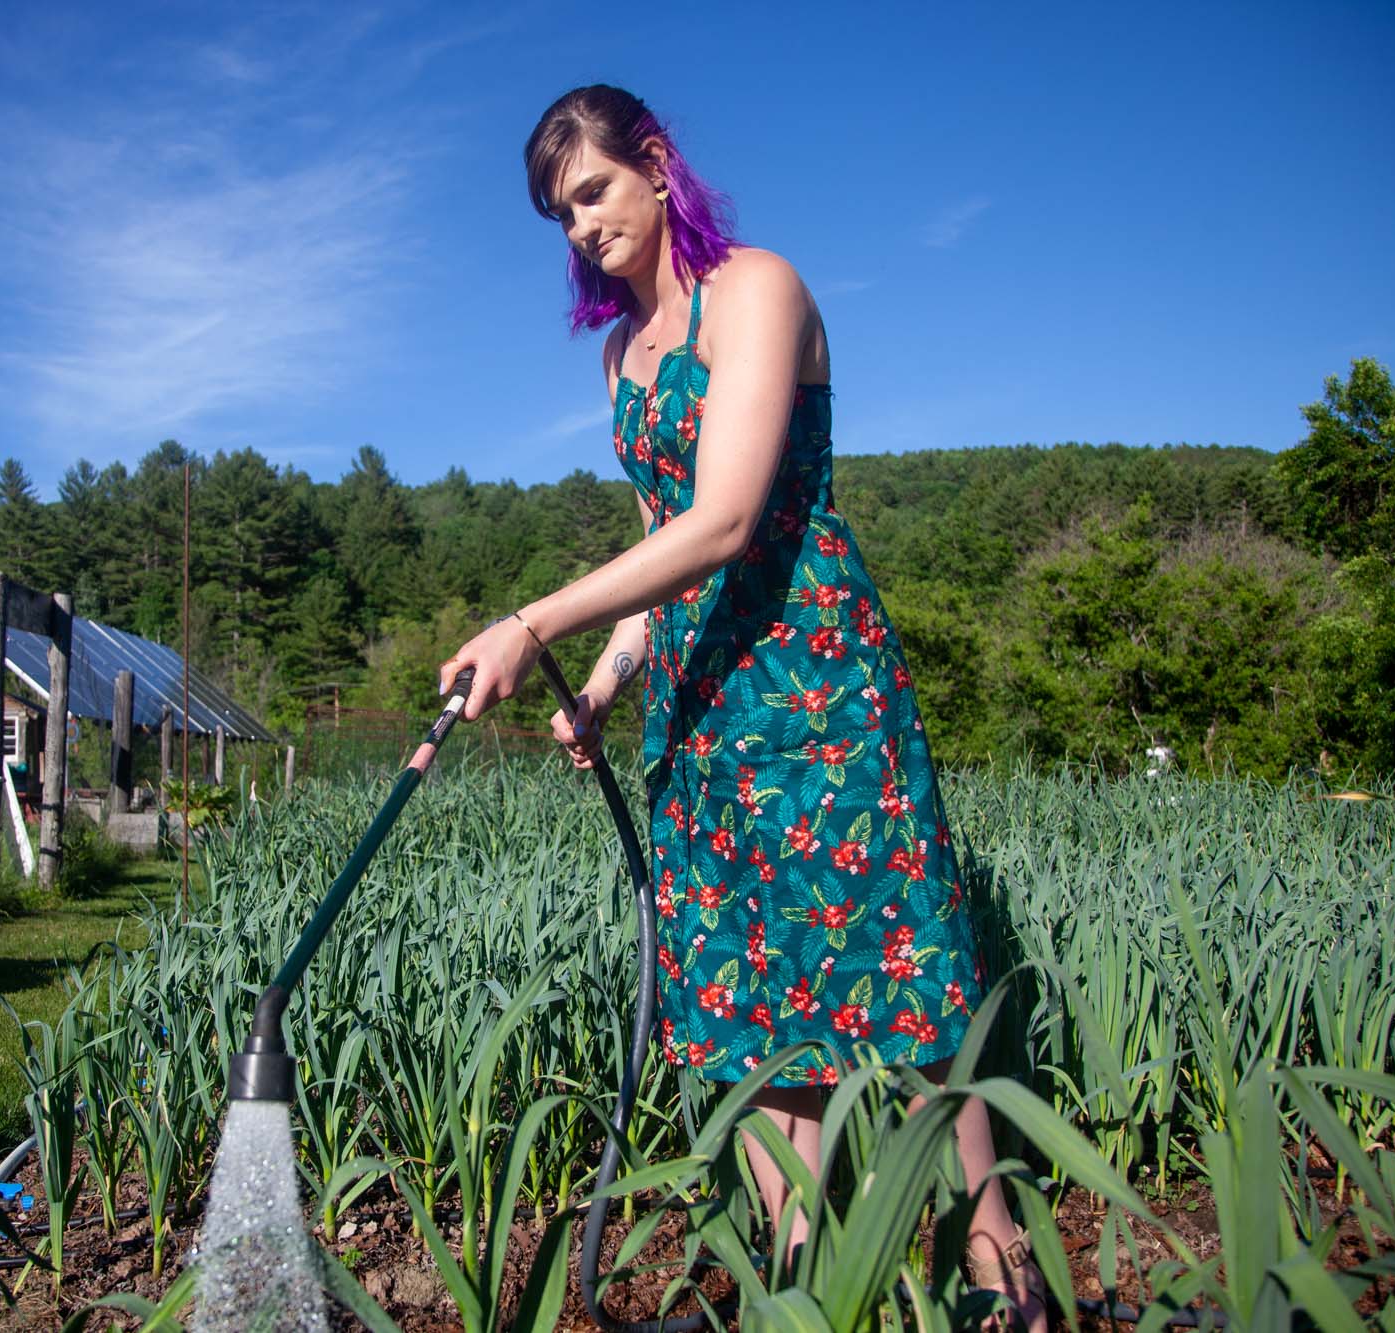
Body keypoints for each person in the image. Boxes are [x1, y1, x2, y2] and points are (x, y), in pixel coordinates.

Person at [437, 85, 1047, 1330]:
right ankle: (803, 1296)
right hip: (702, 714)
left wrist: (529, 622)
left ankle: (1006, 1287)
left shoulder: (753, 290)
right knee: (754, 1018)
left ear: (656, 167)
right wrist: (605, 681)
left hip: (816, 689)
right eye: (558, 214)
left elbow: (722, 521)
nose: (578, 227)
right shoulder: (623, 357)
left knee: (908, 997)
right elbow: (659, 549)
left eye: (593, 191)